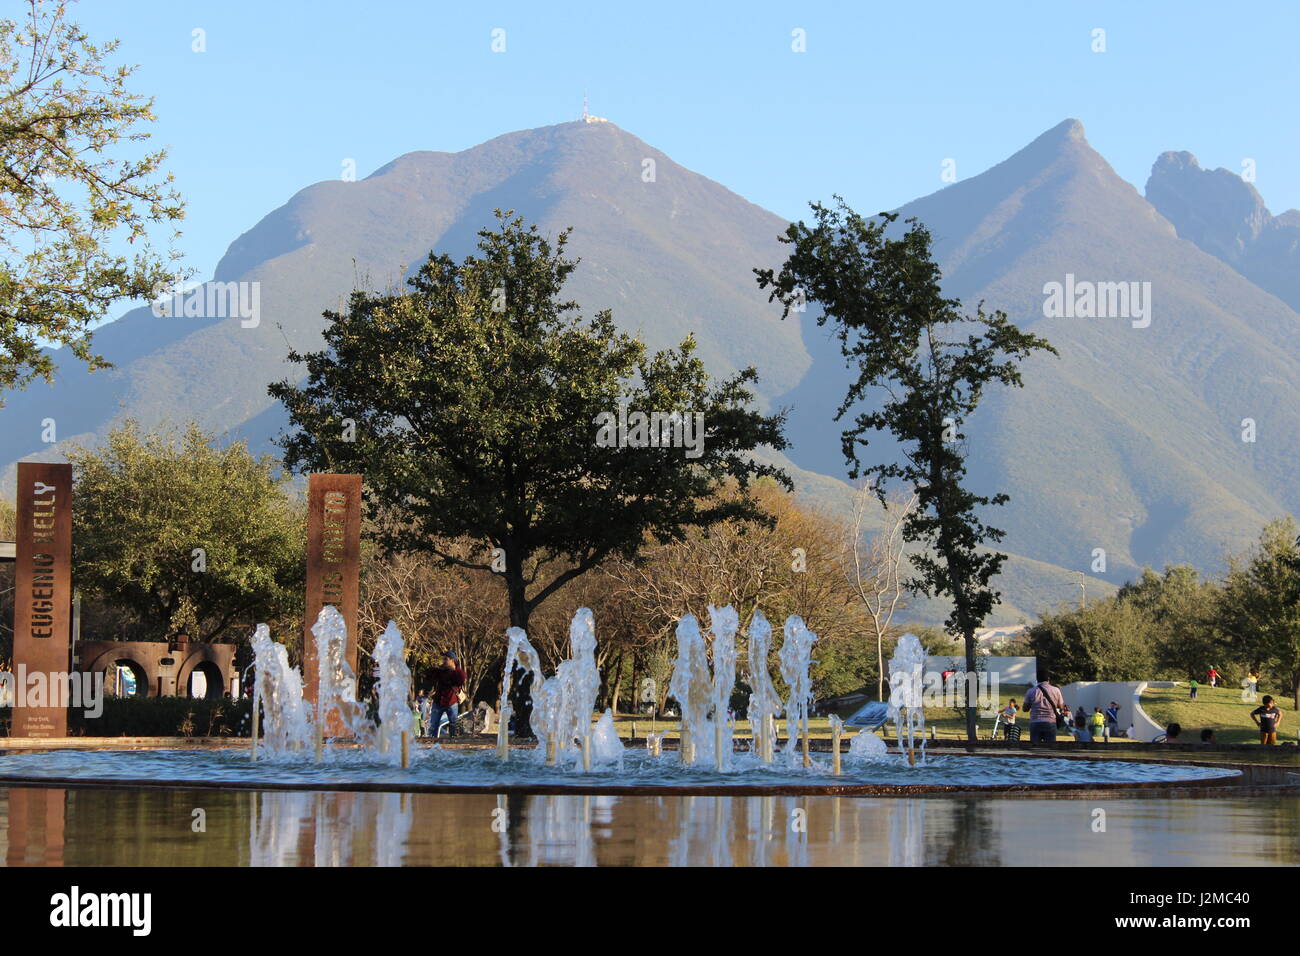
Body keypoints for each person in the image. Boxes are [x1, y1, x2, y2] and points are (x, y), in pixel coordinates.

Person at [428, 651, 467, 738]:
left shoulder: (457, 672)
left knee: (453, 724)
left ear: (452, 660)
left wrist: (453, 669)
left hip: (451, 702)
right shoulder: (441, 670)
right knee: (433, 725)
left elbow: (462, 678)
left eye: (446, 659)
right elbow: (430, 676)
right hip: (438, 701)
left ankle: (453, 742)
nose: (443, 661)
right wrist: (436, 668)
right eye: (443, 659)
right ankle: (431, 742)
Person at [1023, 671, 1066, 744]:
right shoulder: (1056, 690)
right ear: (1048, 678)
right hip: (1050, 722)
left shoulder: (1030, 691)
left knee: (1035, 749)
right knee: (1050, 748)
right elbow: (1061, 706)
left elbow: (1025, 709)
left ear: (1037, 679)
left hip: (1035, 722)